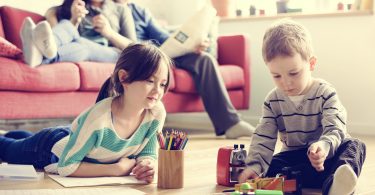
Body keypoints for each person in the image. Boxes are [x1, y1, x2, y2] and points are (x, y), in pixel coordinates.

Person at [0, 43, 172, 183]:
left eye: (163, 84)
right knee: (7, 149)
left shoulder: (156, 113)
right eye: (150, 81)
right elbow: (67, 166)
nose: (158, 91)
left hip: (76, 139)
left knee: (22, 139)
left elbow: (148, 152)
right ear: (124, 78)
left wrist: (147, 164)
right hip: (48, 148)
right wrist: (115, 169)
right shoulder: (98, 119)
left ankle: (17, 135)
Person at [238, 19, 366, 195]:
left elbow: (335, 127)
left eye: (294, 73)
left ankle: (336, 185)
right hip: (296, 160)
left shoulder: (325, 93)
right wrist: (254, 166)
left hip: (327, 157)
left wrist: (323, 146)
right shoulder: (272, 101)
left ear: (311, 64)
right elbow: (264, 136)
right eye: (276, 76)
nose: (286, 83)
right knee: (272, 164)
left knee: (355, 145)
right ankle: (297, 181)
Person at [114, 0, 255, 139]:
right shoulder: (108, 9)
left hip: (160, 53)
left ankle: (231, 124)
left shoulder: (139, 11)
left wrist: (190, 45)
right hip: (138, 58)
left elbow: (163, 37)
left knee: (204, 59)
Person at [21, 0, 136, 67]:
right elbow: (52, 13)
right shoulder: (74, 5)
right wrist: (74, 20)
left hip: (113, 54)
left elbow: (135, 48)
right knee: (67, 24)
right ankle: (36, 51)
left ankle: (39, 54)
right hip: (77, 47)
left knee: (82, 43)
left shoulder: (121, 10)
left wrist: (109, 32)